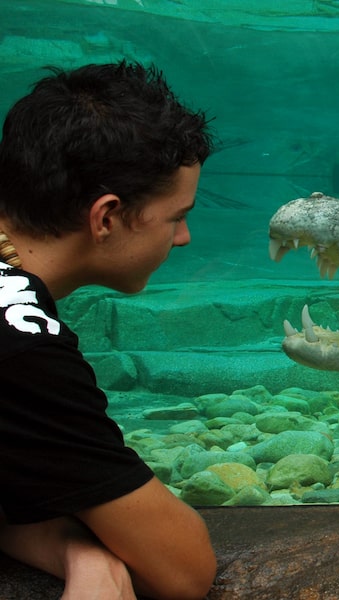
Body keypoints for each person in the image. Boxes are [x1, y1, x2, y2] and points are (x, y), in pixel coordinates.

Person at [0, 61, 216, 599]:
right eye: (177, 216)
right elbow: (183, 569)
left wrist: (76, 548)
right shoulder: (22, 347)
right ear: (106, 217)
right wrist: (95, 554)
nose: (184, 237)